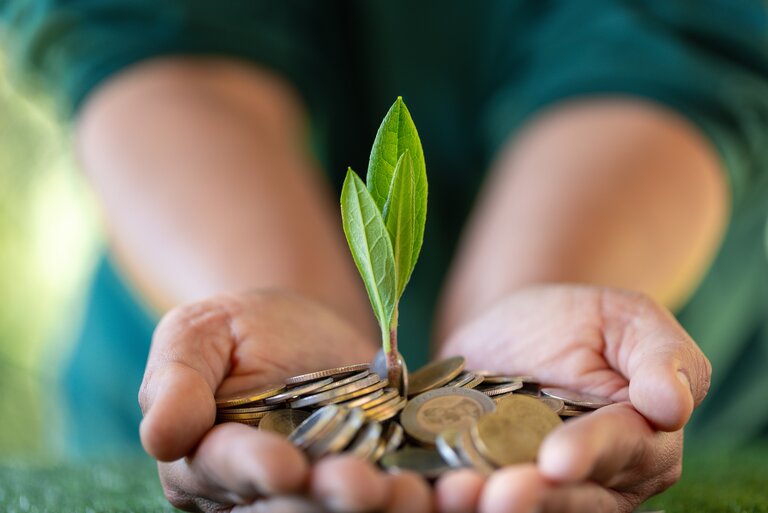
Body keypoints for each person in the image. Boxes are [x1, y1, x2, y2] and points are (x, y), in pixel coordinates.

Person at [2, 1, 767, 512]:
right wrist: (281, 300)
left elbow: (676, 38)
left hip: (684, 352)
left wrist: (545, 294)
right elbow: (141, 24)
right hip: (200, 295)